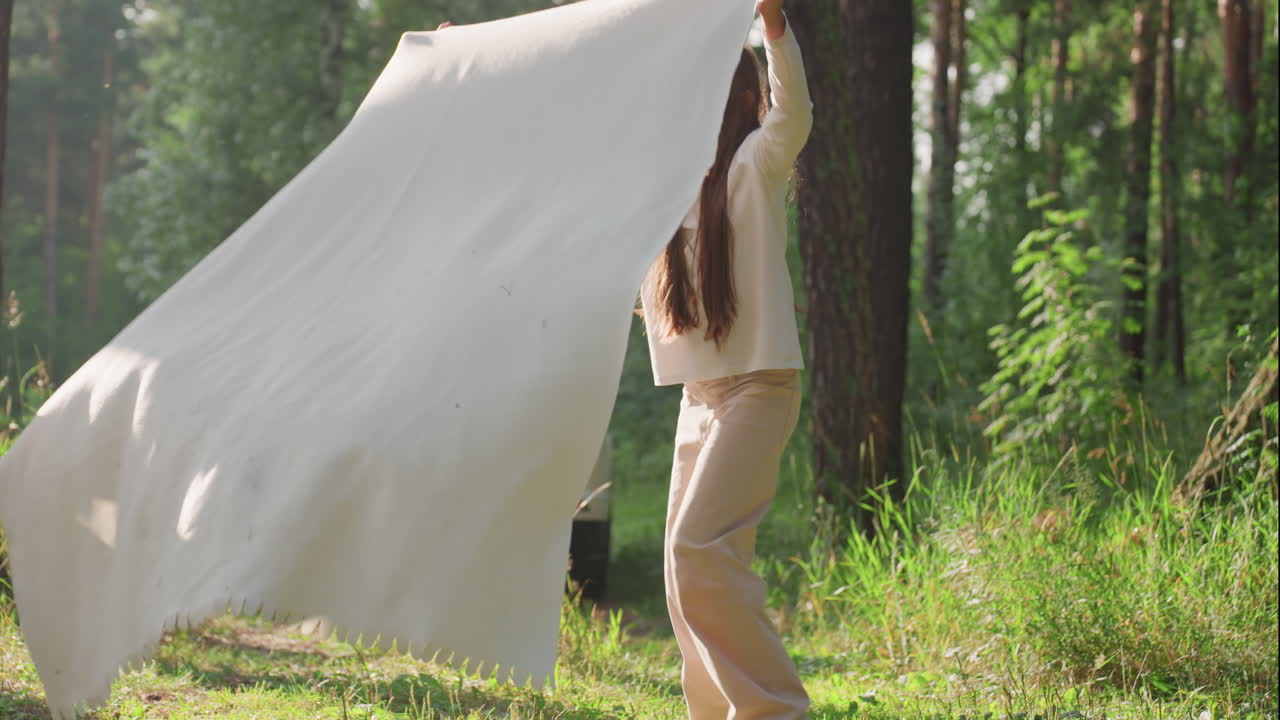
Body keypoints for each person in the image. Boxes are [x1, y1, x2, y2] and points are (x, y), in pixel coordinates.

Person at [637, 0, 813, 718]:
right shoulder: (666, 193)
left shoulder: (754, 165)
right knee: (686, 570)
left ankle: (775, 711)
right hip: (701, 397)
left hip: (757, 389)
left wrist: (772, 23)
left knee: (698, 549)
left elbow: (793, 112)